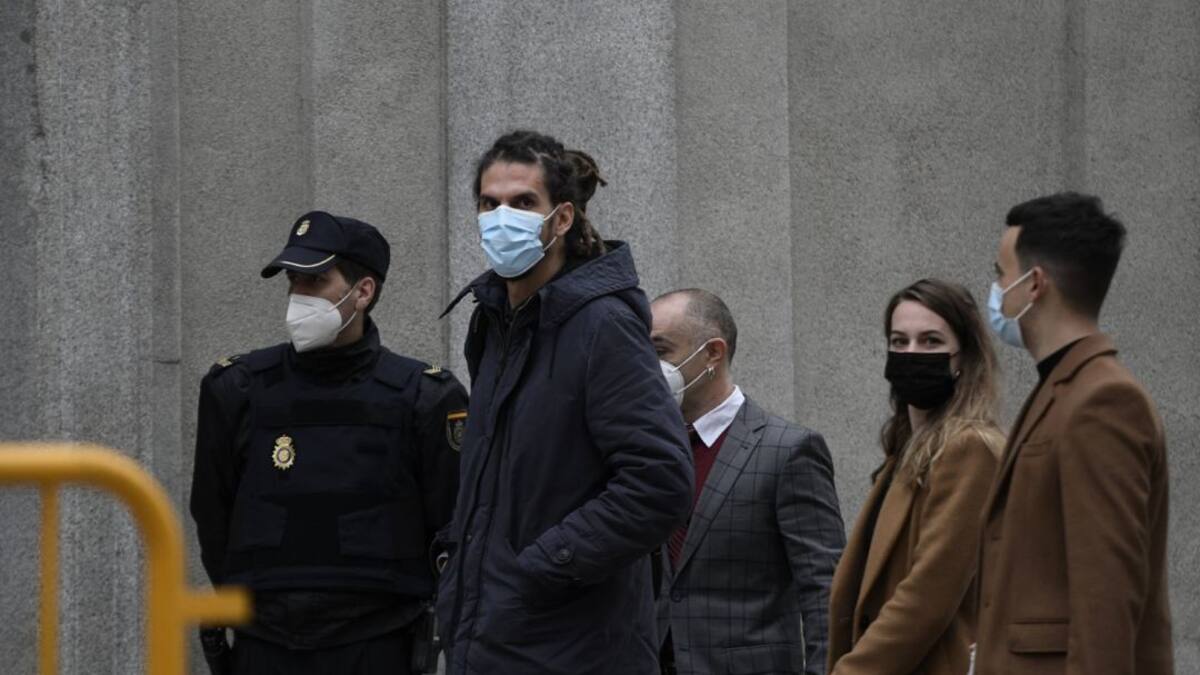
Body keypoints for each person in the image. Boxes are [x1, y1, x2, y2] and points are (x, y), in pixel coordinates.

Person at [435, 130, 694, 675]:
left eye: (523, 202)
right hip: (496, 642)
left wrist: (539, 569)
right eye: (489, 204)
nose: (502, 218)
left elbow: (659, 481)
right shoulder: (495, 321)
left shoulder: (603, 325)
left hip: (572, 648)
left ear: (562, 219)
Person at [189, 211, 467, 675]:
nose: (298, 295)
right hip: (265, 645)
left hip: (377, 644)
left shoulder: (426, 397)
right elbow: (212, 516)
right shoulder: (236, 389)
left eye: (315, 281)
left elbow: (452, 526)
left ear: (363, 292)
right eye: (293, 281)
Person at [976, 193, 1172, 674]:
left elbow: (1105, 601)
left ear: (1034, 284)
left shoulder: (1103, 402)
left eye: (1001, 273)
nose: (996, 290)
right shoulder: (1063, 389)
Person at [650, 288, 845, 675]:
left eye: (660, 351)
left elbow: (825, 588)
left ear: (713, 353)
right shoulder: (646, 450)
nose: (647, 365)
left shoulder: (788, 450)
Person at [826, 279, 1005, 675]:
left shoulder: (969, 448)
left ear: (963, 357)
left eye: (930, 342)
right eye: (899, 341)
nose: (911, 354)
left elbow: (929, 594)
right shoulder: (908, 449)